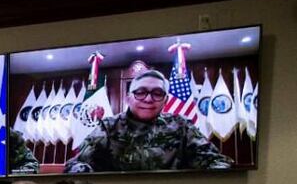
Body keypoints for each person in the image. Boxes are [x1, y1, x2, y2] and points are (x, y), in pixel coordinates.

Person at [65, 70, 233, 173]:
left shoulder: (181, 125)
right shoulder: (109, 126)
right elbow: (76, 165)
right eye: (141, 92)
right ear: (129, 98)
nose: (148, 99)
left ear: (165, 100)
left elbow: (216, 161)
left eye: (157, 93)